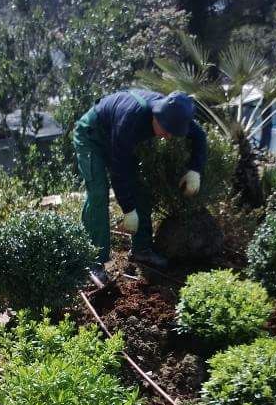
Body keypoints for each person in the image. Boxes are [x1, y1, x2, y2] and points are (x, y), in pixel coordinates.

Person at [73, 88, 208, 282]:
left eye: (173, 132)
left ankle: (142, 250)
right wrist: (128, 210)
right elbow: (119, 170)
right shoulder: (130, 119)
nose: (168, 136)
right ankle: (93, 261)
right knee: (98, 194)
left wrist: (195, 170)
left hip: (118, 140)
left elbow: (200, 136)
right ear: (157, 115)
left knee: (141, 190)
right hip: (92, 135)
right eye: (166, 130)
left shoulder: (173, 114)